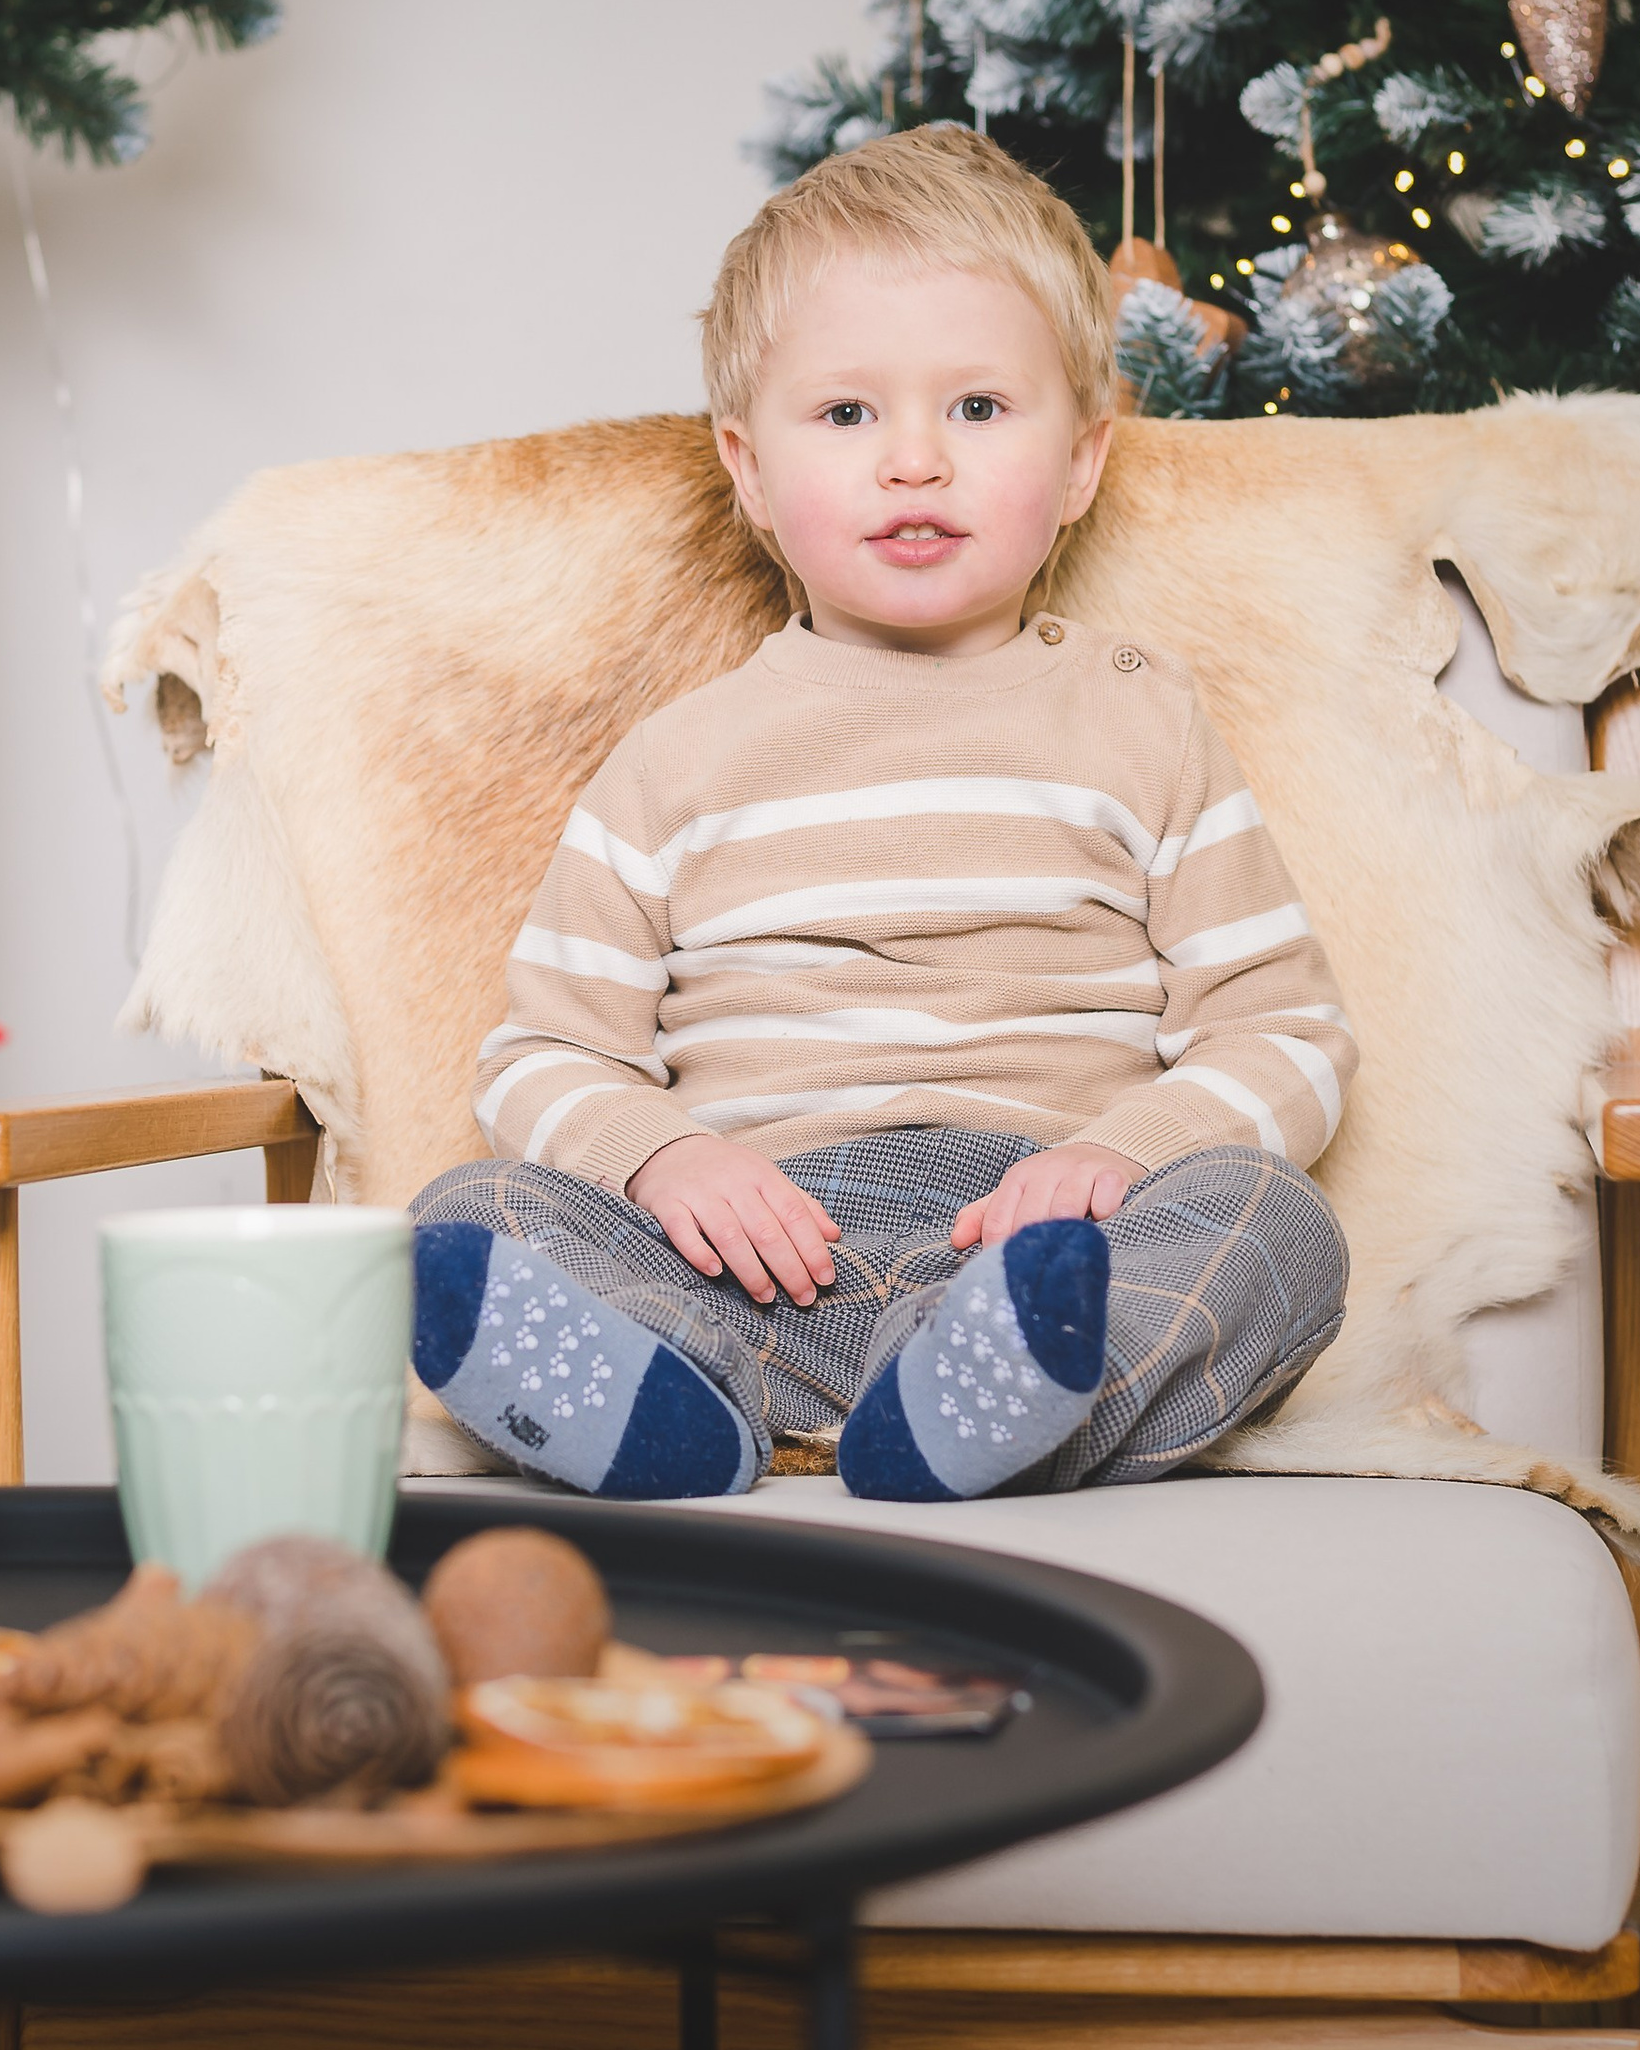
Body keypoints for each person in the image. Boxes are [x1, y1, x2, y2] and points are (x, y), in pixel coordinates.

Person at [408, 126, 1353, 1504]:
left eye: (978, 409)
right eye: (848, 415)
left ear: (1084, 462)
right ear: (746, 468)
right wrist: (668, 1159)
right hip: (750, 1264)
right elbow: (541, 1054)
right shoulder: (675, 762)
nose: (915, 461)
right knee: (467, 1216)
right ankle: (682, 1404)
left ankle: (993, 1399)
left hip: (1044, 1255)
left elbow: (1287, 1037)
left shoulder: (1144, 725)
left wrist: (1116, 1157)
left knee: (1281, 1234)